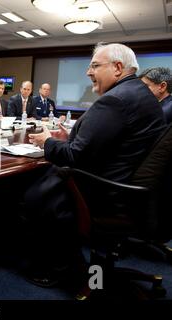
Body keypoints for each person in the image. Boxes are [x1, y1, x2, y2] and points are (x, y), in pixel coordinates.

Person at [22, 42, 166, 287]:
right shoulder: (143, 95)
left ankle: (62, 268)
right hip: (134, 191)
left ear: (118, 68)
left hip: (104, 192)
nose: (88, 72)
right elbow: (115, 143)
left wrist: (47, 141)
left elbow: (73, 158)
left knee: (32, 194)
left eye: (95, 66)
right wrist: (72, 139)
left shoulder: (116, 99)